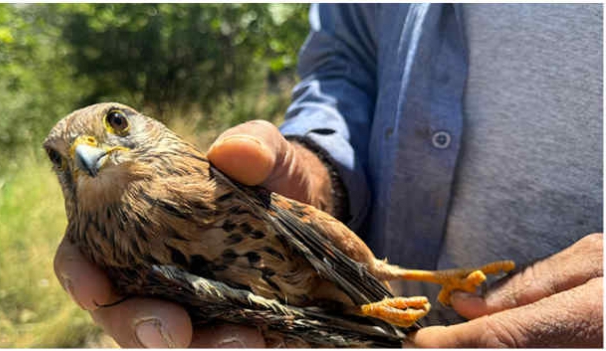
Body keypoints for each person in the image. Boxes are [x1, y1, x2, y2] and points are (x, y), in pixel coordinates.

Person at [53, 3, 603, 347]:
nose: (86, 154)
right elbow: (343, 64)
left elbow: (314, 241)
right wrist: (318, 171)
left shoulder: (208, 184)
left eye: (115, 123)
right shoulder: (116, 257)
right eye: (63, 157)